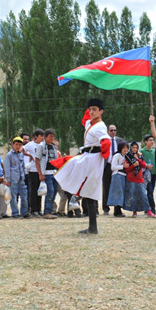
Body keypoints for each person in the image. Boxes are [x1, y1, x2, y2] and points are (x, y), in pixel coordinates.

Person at [54, 98, 111, 234]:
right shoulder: (90, 124)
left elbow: (106, 141)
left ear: (101, 111)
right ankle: (91, 225)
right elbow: (85, 119)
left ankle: (92, 226)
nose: (91, 112)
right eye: (90, 109)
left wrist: (103, 154)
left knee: (88, 189)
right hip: (87, 157)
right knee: (71, 171)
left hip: (93, 159)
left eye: (94, 110)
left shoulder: (100, 126)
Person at [123, 141, 155, 218]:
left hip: (140, 179)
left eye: (136, 147)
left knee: (143, 196)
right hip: (131, 179)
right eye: (133, 147)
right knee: (133, 196)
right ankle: (134, 212)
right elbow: (126, 170)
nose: (134, 149)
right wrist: (133, 165)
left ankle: (149, 211)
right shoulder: (128, 157)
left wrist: (138, 159)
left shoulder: (140, 156)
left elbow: (144, 165)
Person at [4, 136, 29, 218]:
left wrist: (24, 176)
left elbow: (22, 166)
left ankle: (24, 212)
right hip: (13, 179)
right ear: (13, 144)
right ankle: (15, 213)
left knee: (24, 196)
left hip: (21, 179)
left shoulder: (21, 154)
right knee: (13, 197)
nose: (18, 146)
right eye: (16, 144)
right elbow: (7, 168)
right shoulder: (9, 155)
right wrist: (8, 179)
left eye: (20, 145)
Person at [36, 128, 59, 219]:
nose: (52, 138)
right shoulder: (41, 146)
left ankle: (50, 210)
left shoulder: (54, 146)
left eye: (53, 136)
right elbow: (37, 160)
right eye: (50, 136)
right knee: (50, 191)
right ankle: (46, 212)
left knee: (54, 192)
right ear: (45, 137)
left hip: (54, 172)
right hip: (46, 173)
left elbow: (56, 160)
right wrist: (40, 174)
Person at [107, 140, 129, 217]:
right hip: (117, 175)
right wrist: (123, 166)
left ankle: (119, 209)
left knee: (121, 192)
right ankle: (117, 210)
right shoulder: (117, 155)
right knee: (117, 192)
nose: (125, 149)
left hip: (123, 175)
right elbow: (113, 167)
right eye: (124, 148)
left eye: (126, 148)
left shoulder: (125, 156)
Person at [25, 129, 44, 217]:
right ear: (36, 136)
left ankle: (39, 209)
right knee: (33, 190)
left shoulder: (42, 145)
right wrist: (29, 155)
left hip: (41, 170)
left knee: (40, 191)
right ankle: (33, 210)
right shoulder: (31, 144)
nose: (42, 138)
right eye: (41, 136)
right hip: (33, 170)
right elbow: (22, 149)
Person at [102, 124, 119, 215]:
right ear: (108, 131)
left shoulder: (119, 140)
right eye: (111, 130)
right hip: (107, 166)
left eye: (114, 130)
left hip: (117, 167)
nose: (113, 132)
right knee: (106, 187)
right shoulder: (104, 141)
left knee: (117, 187)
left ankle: (117, 208)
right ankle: (105, 208)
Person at [140, 134, 156, 215]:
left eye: (153, 140)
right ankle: (151, 208)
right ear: (146, 142)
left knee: (151, 192)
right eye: (150, 140)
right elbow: (140, 162)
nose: (152, 142)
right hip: (145, 175)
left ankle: (148, 209)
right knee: (148, 192)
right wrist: (146, 165)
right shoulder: (142, 151)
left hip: (153, 174)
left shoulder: (154, 151)